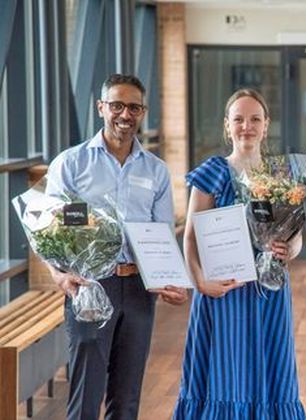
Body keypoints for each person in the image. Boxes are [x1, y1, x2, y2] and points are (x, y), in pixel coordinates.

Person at [45, 74, 188, 420]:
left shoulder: (156, 171)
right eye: (117, 105)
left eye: (134, 108)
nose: (125, 114)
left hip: (139, 289)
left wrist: (171, 280)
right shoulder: (71, 164)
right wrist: (58, 276)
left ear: (143, 112)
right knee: (86, 395)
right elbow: (49, 230)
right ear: (101, 107)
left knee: (127, 398)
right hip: (90, 285)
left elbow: (162, 234)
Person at [172, 88, 306, 419]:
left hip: (269, 292)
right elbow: (190, 238)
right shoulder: (213, 172)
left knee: (273, 369)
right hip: (223, 291)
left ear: (266, 125)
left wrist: (289, 249)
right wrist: (200, 283)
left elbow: (297, 237)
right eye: (239, 119)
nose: (247, 126)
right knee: (224, 374)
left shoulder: (281, 175)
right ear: (227, 125)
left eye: (255, 119)